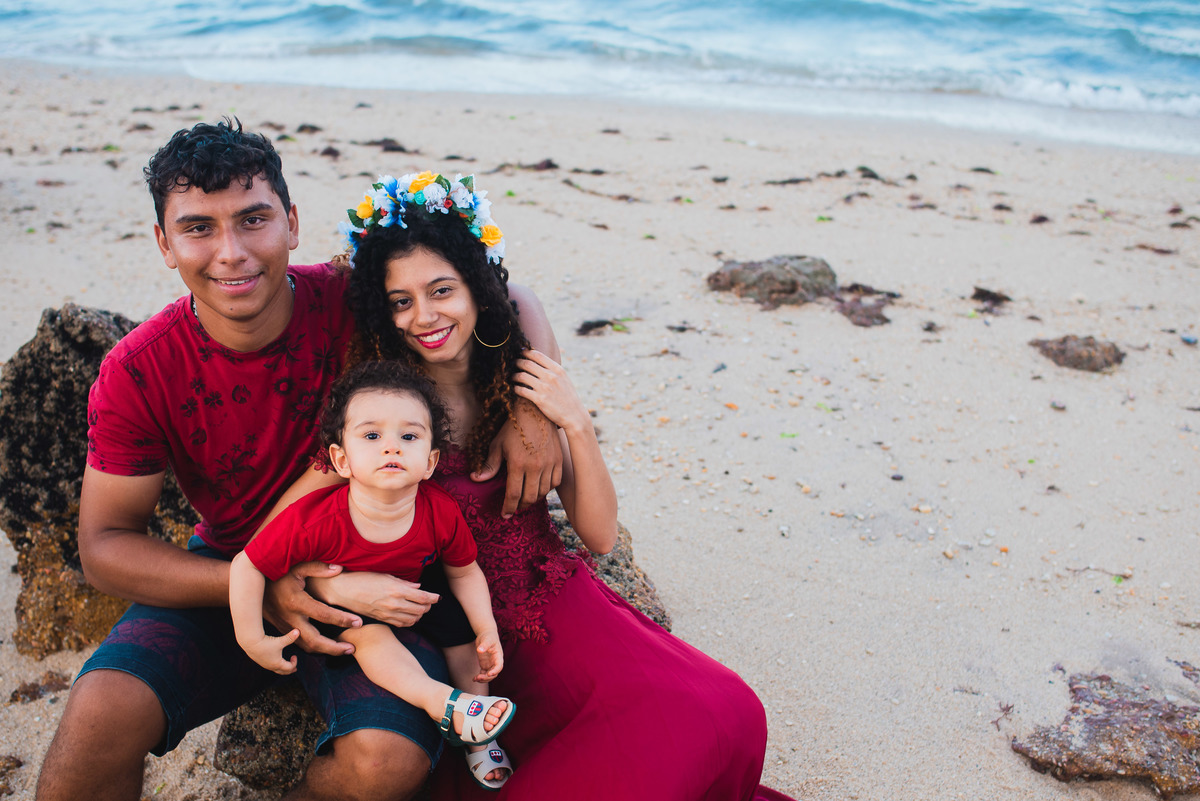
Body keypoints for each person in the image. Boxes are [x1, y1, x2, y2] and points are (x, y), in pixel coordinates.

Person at [35, 119, 561, 801]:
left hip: (380, 580)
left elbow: (506, 295)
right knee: (101, 708)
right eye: (198, 227)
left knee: (386, 761)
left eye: (253, 219)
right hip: (230, 569)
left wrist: (535, 404)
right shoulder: (139, 370)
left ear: (291, 222)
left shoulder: (354, 302)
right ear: (164, 244)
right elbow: (105, 545)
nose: (231, 252)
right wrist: (259, 581)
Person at [330, 170, 795, 800]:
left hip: (562, 602)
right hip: (472, 643)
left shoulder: (516, 376)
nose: (424, 316)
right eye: (401, 301)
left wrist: (571, 419)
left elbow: (599, 534)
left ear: (477, 288)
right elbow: (304, 517)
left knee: (726, 713)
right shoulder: (389, 406)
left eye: (442, 290)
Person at [230, 360, 516, 789]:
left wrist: (485, 627)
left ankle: (478, 728)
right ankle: (443, 704)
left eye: (409, 436)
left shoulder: (439, 511)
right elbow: (248, 564)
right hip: (348, 607)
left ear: (431, 461)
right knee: (368, 637)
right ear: (341, 460)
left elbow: (464, 571)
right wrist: (251, 637)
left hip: (416, 585)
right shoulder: (314, 522)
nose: (391, 447)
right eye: (371, 435)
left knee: (465, 643)